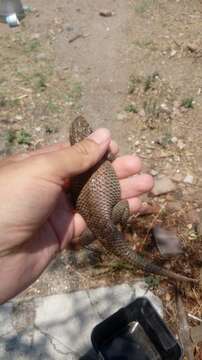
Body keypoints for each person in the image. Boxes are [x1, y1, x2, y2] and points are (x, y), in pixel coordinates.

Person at [0, 128, 153, 304]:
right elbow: (110, 158)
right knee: (124, 205)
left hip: (92, 217)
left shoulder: (74, 167)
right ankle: (121, 222)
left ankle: (108, 230)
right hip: (101, 215)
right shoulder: (98, 155)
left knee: (118, 211)